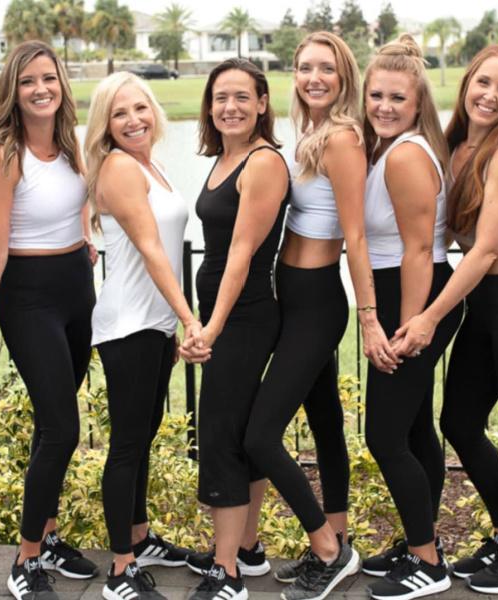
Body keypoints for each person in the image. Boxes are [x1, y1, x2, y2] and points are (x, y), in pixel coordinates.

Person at [393, 45, 498, 595]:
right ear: (467, 84)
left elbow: (486, 250)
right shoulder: (455, 148)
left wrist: (426, 319)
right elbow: (432, 235)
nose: (490, 96)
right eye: (483, 83)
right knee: (460, 424)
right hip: (485, 310)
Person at [242, 31, 400, 600]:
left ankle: (329, 550)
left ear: (343, 78)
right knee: (327, 423)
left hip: (316, 302)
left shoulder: (341, 138)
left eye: (325, 69)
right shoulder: (308, 134)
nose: (314, 77)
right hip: (292, 294)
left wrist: (371, 317)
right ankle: (337, 532)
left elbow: (355, 235)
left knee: (260, 435)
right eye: (305, 67)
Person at [0, 41, 99, 600]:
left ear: (61, 84)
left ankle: (46, 535)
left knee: (53, 425)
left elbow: (78, 204)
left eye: (49, 78)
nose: (41, 89)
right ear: (13, 92)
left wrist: (86, 235)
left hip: (76, 289)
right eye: (28, 82)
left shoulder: (71, 145)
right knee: (64, 428)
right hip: (29, 298)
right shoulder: (4, 153)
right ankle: (25, 562)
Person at [84, 71, 210, 600]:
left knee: (143, 435)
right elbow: (153, 249)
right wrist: (191, 317)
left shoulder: (150, 164)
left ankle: (139, 537)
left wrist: (176, 316)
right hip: (130, 322)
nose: (133, 120)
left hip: (154, 321)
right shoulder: (118, 166)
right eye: (119, 113)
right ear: (105, 126)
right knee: (128, 444)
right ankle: (120, 570)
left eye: (139, 109)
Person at [356, 35, 462, 600]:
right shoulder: (389, 148)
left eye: (398, 97)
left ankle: (426, 562)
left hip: (415, 294)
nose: (385, 106)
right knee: (416, 427)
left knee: (384, 433)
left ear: (419, 104)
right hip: (410, 289)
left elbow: (420, 249)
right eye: (376, 95)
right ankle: (422, 541)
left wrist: (407, 325)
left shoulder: (403, 155)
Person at [181, 58, 290, 600]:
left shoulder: (263, 162)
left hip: (243, 316)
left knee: (222, 434)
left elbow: (242, 253)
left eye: (242, 97)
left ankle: (225, 574)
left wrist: (211, 328)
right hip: (225, 313)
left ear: (263, 103)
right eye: (221, 97)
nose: (231, 107)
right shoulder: (224, 158)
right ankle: (245, 550)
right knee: (237, 431)